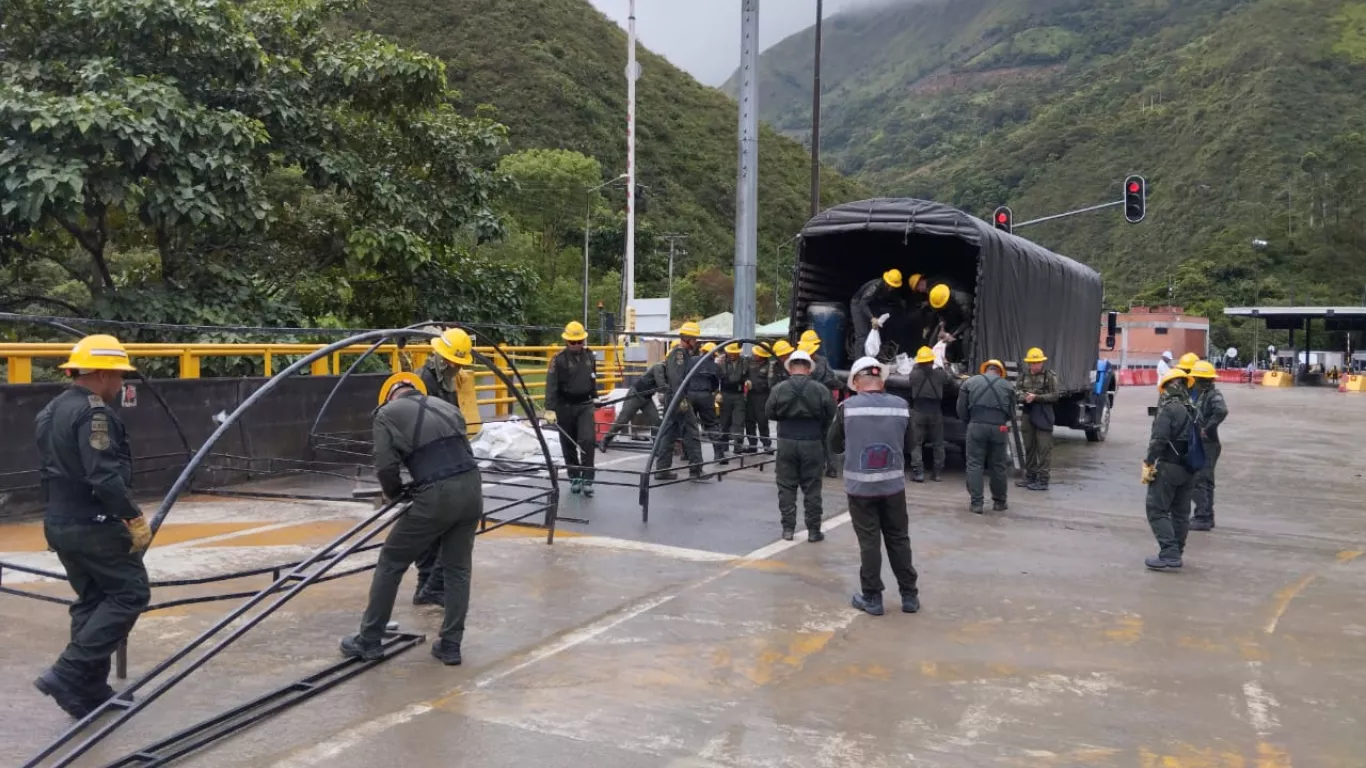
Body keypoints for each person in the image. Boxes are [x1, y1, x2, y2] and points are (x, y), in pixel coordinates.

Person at [33, 335, 151, 718]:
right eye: (118, 376)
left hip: (59, 522)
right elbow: (102, 475)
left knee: (93, 600)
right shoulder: (94, 413)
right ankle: (69, 672)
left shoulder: (49, 410)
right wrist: (132, 516)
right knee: (130, 593)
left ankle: (87, 691)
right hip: (94, 524)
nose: (121, 384)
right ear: (101, 373)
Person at [341, 372, 483, 666]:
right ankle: (451, 645)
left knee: (391, 560)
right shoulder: (446, 406)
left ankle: (369, 640)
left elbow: (385, 465)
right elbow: (463, 450)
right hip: (472, 489)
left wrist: (395, 493)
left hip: (435, 495)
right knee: (458, 570)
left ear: (390, 396)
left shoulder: (385, 415)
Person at [827, 357, 921, 616]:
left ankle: (873, 598)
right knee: (899, 539)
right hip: (893, 487)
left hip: (861, 489)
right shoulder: (901, 406)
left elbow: (834, 445)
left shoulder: (847, 408)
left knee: (869, 542)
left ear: (856, 381)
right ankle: (909, 596)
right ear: (882, 380)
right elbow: (911, 444)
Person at [412, 327, 475, 607]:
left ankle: (430, 585)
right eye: (455, 362)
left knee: (444, 523)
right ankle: (426, 583)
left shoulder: (446, 378)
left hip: (444, 455)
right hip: (427, 457)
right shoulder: (423, 380)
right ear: (444, 358)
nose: (458, 367)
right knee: (433, 524)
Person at [766, 350, 836, 541]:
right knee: (812, 487)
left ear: (790, 369)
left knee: (786, 486)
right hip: (812, 441)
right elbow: (831, 413)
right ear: (808, 369)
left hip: (786, 441)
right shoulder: (820, 389)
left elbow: (769, 412)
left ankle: (788, 529)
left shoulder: (779, 388)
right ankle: (813, 531)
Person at [1141, 367, 1200, 571]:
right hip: (1189, 468)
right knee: (1181, 512)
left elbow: (1159, 439)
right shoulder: (1193, 407)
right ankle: (1177, 551)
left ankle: (1169, 552)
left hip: (1170, 466)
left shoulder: (1170, 408)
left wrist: (1148, 462)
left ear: (1168, 386)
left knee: (1156, 509)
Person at [545, 321, 600, 496]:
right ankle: (574, 477)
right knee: (567, 443)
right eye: (573, 342)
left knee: (588, 440)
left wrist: (595, 396)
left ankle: (588, 479)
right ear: (566, 342)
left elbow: (592, 378)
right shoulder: (558, 360)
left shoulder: (590, 356)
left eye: (579, 342)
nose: (576, 345)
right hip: (565, 406)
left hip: (585, 405)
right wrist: (550, 409)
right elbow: (551, 385)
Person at [957, 359, 1014, 514]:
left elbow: (961, 409)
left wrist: (970, 422)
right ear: (1000, 372)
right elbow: (1011, 413)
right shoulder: (1007, 386)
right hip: (999, 427)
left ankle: (977, 504)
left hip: (976, 425)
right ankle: (1000, 502)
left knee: (975, 464)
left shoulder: (969, 382)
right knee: (998, 465)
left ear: (984, 370)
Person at [655, 323, 706, 481]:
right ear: (688, 338)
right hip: (679, 398)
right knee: (691, 431)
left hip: (674, 398)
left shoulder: (680, 352)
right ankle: (696, 469)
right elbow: (677, 380)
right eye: (695, 338)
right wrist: (682, 400)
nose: (696, 341)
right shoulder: (679, 354)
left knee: (669, 433)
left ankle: (662, 469)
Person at [1188, 361, 1228, 531]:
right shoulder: (1203, 393)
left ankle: (1202, 517)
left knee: (1200, 480)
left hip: (1208, 444)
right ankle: (1207, 515)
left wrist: (1208, 427)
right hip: (1204, 443)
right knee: (1205, 480)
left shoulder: (1212, 395)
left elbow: (1222, 410)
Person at [1015, 346, 1060, 491]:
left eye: (1037, 363)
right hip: (1028, 413)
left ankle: (1043, 480)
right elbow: (1016, 392)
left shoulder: (1049, 376)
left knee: (1043, 448)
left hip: (1043, 414)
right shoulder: (1023, 376)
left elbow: (1055, 395)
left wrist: (1037, 397)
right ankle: (1030, 476)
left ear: (1042, 362)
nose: (1035, 366)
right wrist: (1024, 397)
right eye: (1032, 363)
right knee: (1029, 446)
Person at [799, 331, 843, 478]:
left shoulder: (821, 361)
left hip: (824, 404)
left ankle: (830, 467)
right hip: (811, 404)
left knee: (827, 436)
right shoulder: (802, 364)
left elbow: (833, 378)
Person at [600, 360, 664, 451]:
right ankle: (605, 440)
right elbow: (662, 385)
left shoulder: (669, 372)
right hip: (635, 396)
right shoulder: (659, 367)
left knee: (656, 420)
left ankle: (656, 446)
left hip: (647, 398)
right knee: (622, 420)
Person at [906, 346, 948, 482]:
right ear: (932, 360)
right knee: (938, 443)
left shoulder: (915, 374)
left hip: (918, 410)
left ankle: (918, 473)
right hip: (935, 411)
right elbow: (949, 381)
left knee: (916, 443)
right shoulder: (940, 374)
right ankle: (937, 473)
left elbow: (911, 380)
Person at [850, 269, 903, 359]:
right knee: (862, 335)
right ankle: (858, 362)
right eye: (891, 286)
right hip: (858, 304)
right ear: (886, 282)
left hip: (870, 305)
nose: (892, 288)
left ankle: (870, 358)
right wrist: (872, 318)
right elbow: (863, 303)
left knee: (874, 330)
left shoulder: (888, 289)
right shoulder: (875, 286)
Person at [692, 342, 726, 464]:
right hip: (705, 396)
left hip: (689, 395)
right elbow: (720, 379)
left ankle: (687, 454)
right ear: (713, 354)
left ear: (702, 351)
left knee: (689, 425)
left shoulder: (691, 361)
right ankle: (719, 455)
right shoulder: (714, 366)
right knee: (712, 423)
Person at [718, 343, 749, 461]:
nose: (732, 354)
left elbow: (748, 375)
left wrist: (748, 381)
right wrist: (717, 393)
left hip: (739, 395)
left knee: (739, 421)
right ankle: (723, 445)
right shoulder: (721, 362)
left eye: (734, 352)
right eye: (730, 352)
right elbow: (716, 378)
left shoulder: (745, 362)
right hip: (725, 394)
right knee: (724, 421)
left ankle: (738, 446)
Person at [743, 344, 775, 452]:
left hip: (762, 396)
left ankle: (766, 444)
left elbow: (769, 382)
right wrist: (746, 382)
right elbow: (744, 375)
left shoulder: (769, 366)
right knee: (749, 421)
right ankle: (752, 445)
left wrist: (757, 385)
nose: (755, 355)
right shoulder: (749, 362)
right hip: (750, 396)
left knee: (762, 421)